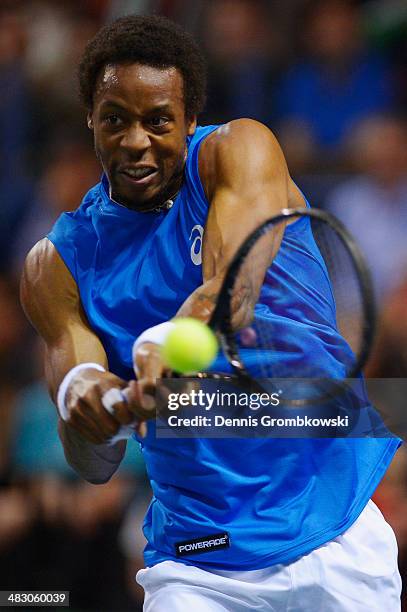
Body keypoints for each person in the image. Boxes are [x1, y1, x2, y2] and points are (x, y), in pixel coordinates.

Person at [20, 14, 401, 611]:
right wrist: (92, 406)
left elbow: (230, 293)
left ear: (191, 121)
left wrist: (163, 348)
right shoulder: (55, 265)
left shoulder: (238, 151)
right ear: (91, 119)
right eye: (115, 119)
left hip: (334, 533)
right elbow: (93, 460)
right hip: (197, 563)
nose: (136, 140)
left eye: (158, 121)